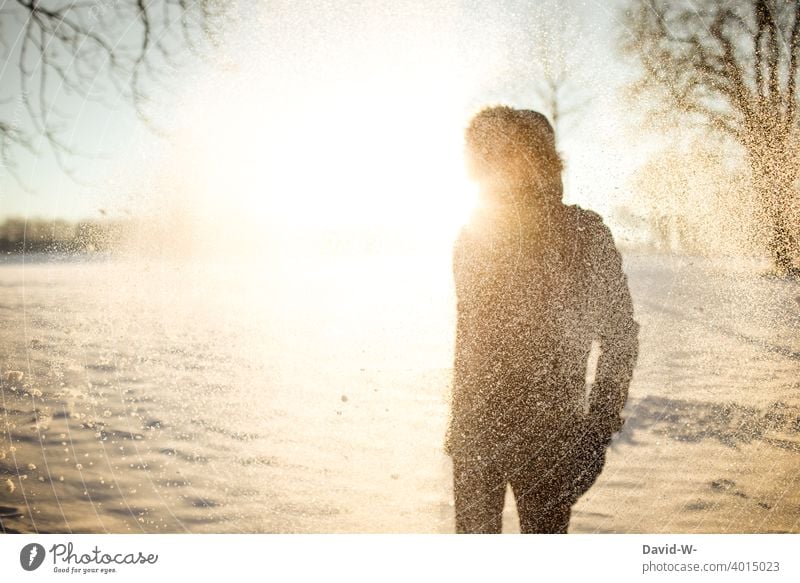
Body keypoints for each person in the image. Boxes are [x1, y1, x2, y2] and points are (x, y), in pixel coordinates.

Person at [446, 106, 639, 534]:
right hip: (480, 437)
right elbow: (474, 340)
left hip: (548, 437)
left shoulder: (582, 234)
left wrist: (598, 427)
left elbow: (619, 333)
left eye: (511, 156)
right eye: (489, 159)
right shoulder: (474, 235)